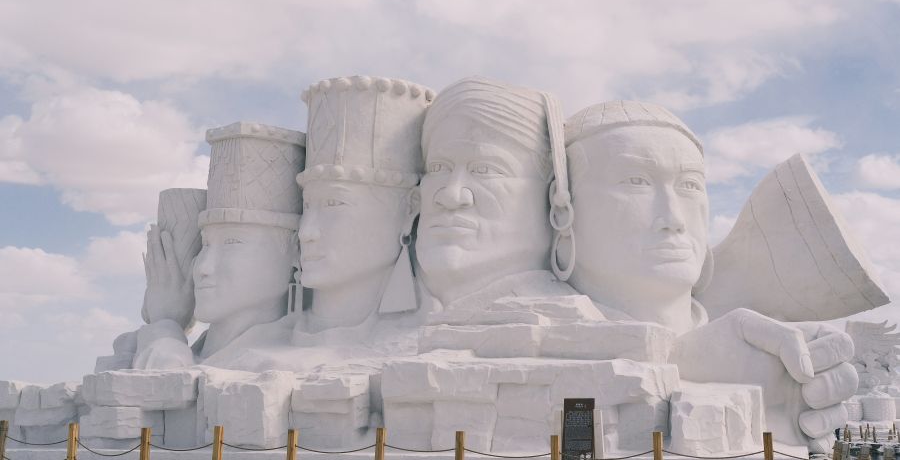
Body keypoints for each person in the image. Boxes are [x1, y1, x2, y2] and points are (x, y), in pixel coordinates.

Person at [564, 100, 857, 452]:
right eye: (636, 181)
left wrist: (783, 417)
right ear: (562, 208)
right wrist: (682, 360)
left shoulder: (747, 345)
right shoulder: (522, 336)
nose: (674, 218)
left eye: (689, 185)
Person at [134, 122, 305, 368]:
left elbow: (167, 377)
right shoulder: (195, 352)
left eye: (233, 241)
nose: (203, 267)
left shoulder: (274, 363)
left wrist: (165, 325)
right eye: (204, 244)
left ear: (296, 252)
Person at [416, 76, 576, 311]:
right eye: (439, 168)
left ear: (555, 196)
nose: (451, 196)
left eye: (485, 170)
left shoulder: (589, 334)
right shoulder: (359, 335)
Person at [292, 76, 431, 340]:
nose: (306, 232)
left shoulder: (435, 340)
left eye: (334, 203)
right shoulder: (250, 348)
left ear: (409, 209)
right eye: (307, 206)